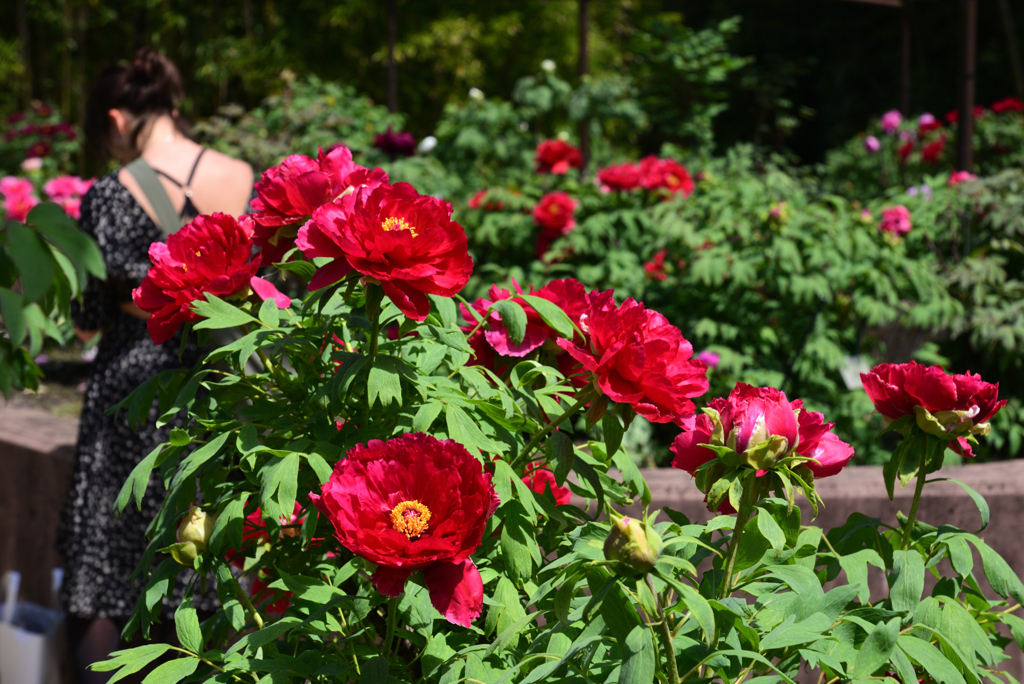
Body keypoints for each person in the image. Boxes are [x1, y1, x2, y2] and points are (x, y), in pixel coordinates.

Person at [55, 48, 253, 683]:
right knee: (197, 568)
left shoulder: (111, 193)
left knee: (103, 576)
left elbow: (88, 314)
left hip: (131, 389)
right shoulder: (243, 175)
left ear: (116, 120)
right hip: (213, 389)